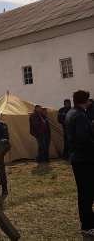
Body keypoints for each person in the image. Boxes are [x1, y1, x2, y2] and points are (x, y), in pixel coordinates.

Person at [66, 89, 94, 237]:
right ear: (86, 100)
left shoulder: (71, 113)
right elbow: (83, 138)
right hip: (84, 159)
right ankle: (87, 225)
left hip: (77, 158)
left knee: (85, 192)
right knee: (87, 193)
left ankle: (89, 222)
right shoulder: (80, 115)